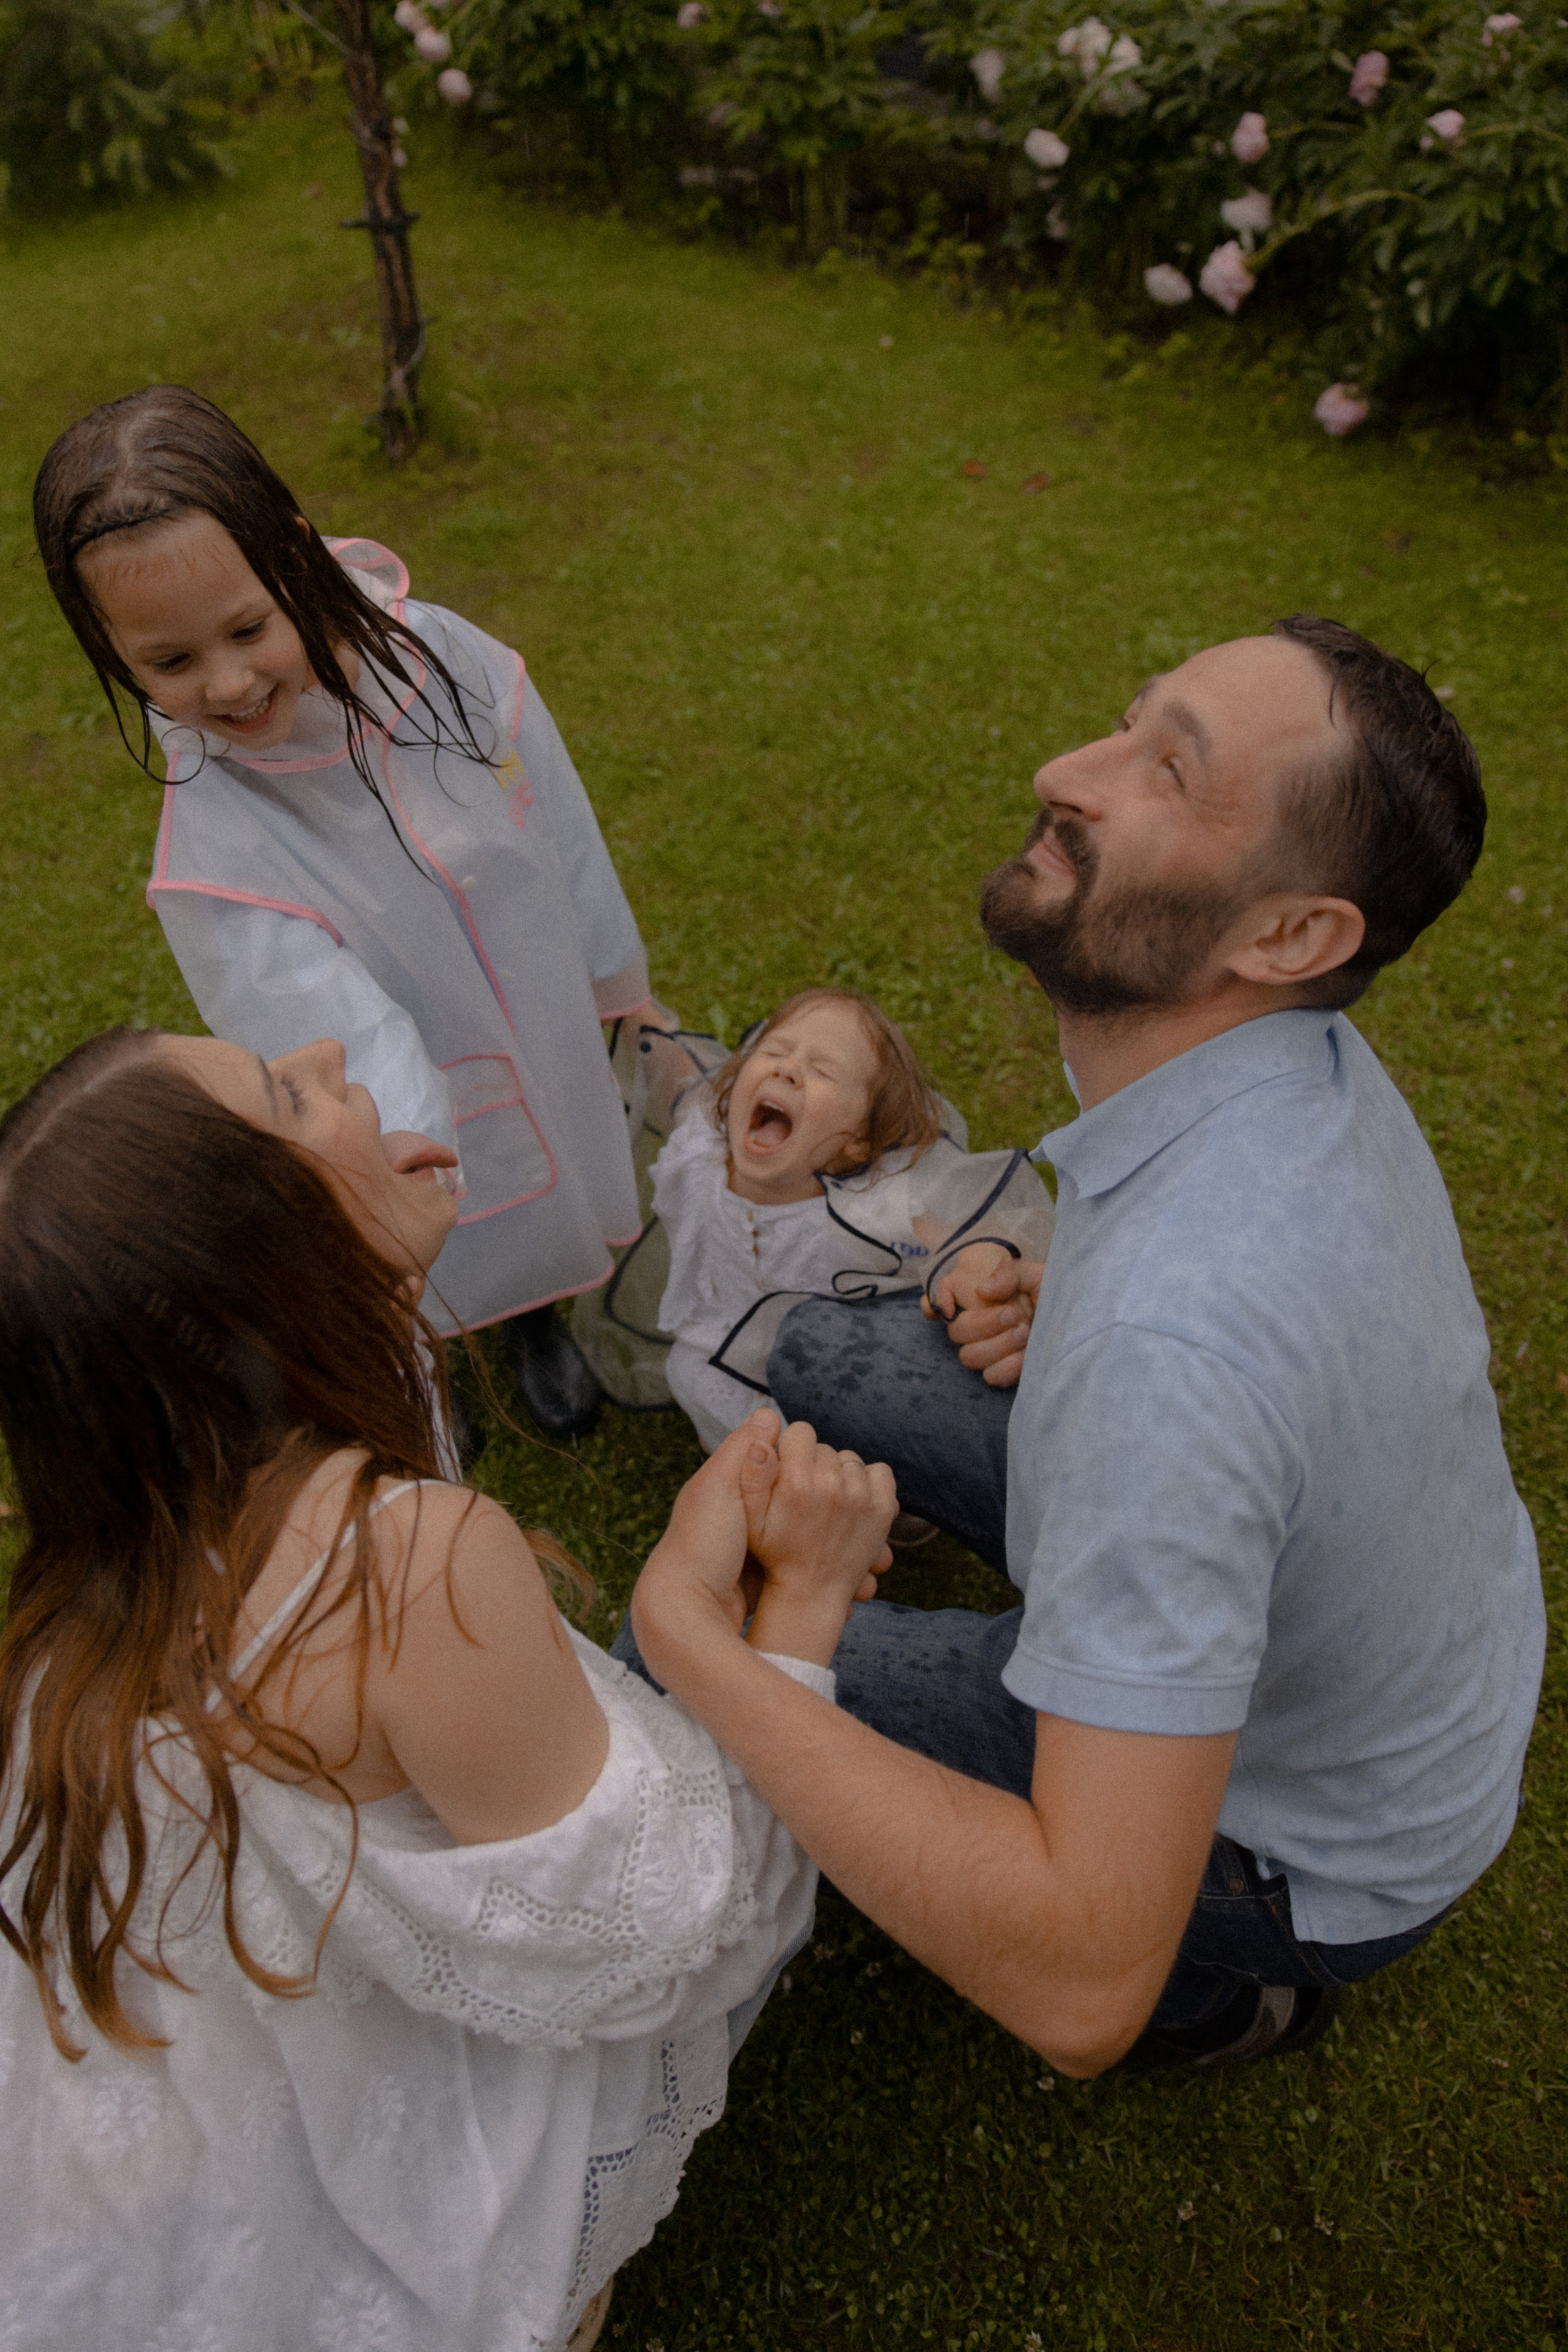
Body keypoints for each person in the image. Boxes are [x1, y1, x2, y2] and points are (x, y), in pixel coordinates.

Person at [628, 616, 1547, 2076]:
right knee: (816, 1355)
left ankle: (1233, 1985)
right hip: (1347, 1632)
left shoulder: (1171, 1353)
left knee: (672, 1651)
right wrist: (1057, 1286)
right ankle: (1101, 1662)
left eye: (1164, 775)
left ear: (1287, 935)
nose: (1066, 771)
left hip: (1297, 1841)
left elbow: (1078, 1984)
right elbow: (1250, 1341)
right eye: (1127, 722)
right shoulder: (1290, 1058)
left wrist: (694, 1633)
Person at [0, 1025, 895, 2352]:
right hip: (325, 2154)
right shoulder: (404, 1565)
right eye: (287, 1095)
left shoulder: (104, 1558)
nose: (318, 1048)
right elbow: (684, 1931)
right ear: (264, 1255)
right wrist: (790, 1603)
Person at [32, 385, 659, 1439]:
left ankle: (538, 1316)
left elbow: (555, 823)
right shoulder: (216, 843)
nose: (229, 685)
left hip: (524, 994)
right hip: (401, 1066)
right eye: (170, 663)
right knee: (424, 1215)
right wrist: (401, 1148)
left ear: (296, 556)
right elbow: (315, 1023)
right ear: (110, 650)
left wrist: (603, 969)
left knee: (550, 1149)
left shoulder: (448, 668)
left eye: (246, 628)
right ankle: (438, 1346)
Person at [651, 987, 1054, 1452]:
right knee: (686, 1369)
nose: (788, 1068)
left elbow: (962, 1230)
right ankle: (752, 1466)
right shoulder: (699, 1155)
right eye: (775, 1051)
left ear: (858, 1143)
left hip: (835, 1362)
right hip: (725, 1341)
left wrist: (980, 1266)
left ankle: (865, 1497)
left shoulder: (867, 1207)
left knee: (849, 1435)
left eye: (823, 1070)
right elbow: (679, 1081)